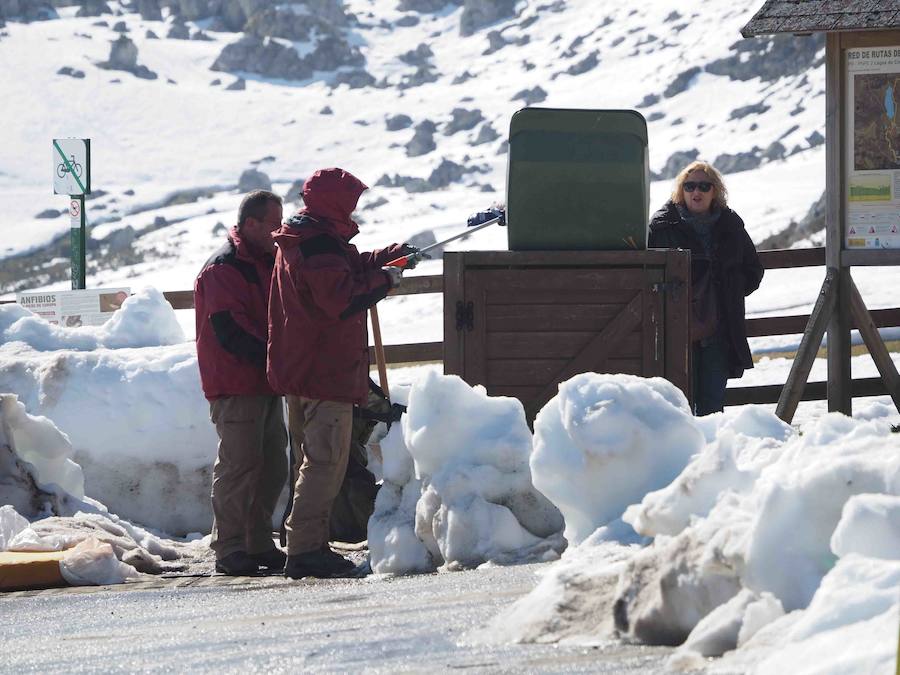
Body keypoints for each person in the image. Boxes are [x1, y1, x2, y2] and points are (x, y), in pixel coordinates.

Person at [267, 168, 416, 579]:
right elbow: (341, 298)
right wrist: (386, 280)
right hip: (324, 373)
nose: (355, 206)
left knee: (310, 462)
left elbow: (347, 268)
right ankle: (305, 552)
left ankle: (305, 543)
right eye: (350, 199)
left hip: (303, 371)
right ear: (336, 202)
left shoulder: (310, 238)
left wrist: (388, 256)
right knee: (323, 464)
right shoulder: (318, 244)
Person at [195, 190, 289, 575]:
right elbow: (230, 330)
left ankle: (256, 542)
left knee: (271, 465)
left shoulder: (265, 260)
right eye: (272, 224)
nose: (278, 231)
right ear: (250, 224)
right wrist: (278, 357)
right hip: (236, 383)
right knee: (239, 465)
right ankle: (230, 547)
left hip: (264, 381)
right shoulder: (223, 268)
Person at [649, 161, 764, 416]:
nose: (696, 192)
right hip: (675, 333)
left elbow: (753, 270)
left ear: (715, 190)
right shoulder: (662, 226)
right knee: (679, 407)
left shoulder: (730, 225)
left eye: (704, 186)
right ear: (681, 190)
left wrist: (729, 292)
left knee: (712, 407)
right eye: (689, 186)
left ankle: (712, 455)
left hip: (719, 332)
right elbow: (646, 276)